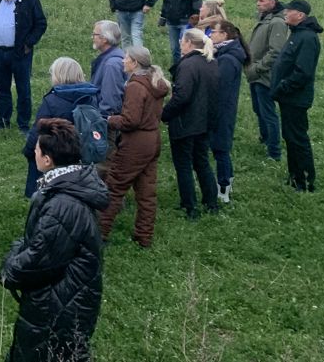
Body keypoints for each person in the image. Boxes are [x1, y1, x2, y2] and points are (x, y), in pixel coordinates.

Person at [0, 119, 150, 362]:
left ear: (48, 158)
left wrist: (10, 265)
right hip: (59, 301)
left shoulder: (63, 204)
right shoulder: (63, 189)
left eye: (37, 149)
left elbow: (39, 259)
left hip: (59, 308)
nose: (33, 153)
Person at [101, 46, 169, 248]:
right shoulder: (154, 82)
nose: (123, 61)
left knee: (114, 187)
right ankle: (144, 237)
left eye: (126, 59)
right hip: (153, 140)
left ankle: (99, 233)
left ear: (135, 63)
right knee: (146, 193)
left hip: (136, 143)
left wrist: (109, 119)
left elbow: (131, 120)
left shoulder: (135, 86)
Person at [161, 29, 220, 219]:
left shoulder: (187, 66)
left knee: (184, 165)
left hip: (185, 122)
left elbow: (182, 96)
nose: (180, 44)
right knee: (202, 162)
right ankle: (211, 203)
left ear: (188, 43)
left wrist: (165, 114)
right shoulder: (211, 62)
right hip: (205, 122)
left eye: (182, 41)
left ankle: (190, 206)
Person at [22, 58, 99, 198]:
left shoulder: (52, 101)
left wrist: (29, 151)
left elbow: (37, 132)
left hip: (54, 159)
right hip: (81, 158)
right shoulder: (91, 98)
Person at [0, 0, 48, 130]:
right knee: (1, 88)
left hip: (19, 53)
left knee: (23, 89)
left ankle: (23, 124)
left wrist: (28, 44)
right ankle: (4, 120)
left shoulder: (30, 2)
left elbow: (41, 24)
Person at [270, 0, 323, 192]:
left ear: (299, 15)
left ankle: (305, 181)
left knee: (298, 138)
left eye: (288, 11)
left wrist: (283, 86)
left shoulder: (307, 38)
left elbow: (303, 72)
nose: (285, 14)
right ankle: (295, 176)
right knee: (290, 137)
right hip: (288, 97)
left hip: (295, 98)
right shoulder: (297, 34)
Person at [245, 0, 289, 161]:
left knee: (268, 113)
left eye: (262, 1)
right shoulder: (264, 18)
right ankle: (265, 138)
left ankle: (274, 152)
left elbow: (276, 51)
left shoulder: (277, 22)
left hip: (264, 75)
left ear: (273, 2)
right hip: (255, 72)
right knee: (258, 109)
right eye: (257, 1)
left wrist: (256, 68)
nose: (258, 3)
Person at [209, 20, 249, 204]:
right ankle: (228, 182)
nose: (210, 35)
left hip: (221, 111)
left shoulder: (226, 59)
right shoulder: (228, 54)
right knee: (221, 148)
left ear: (224, 35)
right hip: (225, 109)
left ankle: (223, 189)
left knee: (220, 149)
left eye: (214, 32)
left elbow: (220, 88)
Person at [159, 0, 201, 64]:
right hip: (171, 21)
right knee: (174, 49)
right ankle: (177, 69)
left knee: (185, 48)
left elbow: (197, 1)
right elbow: (166, 0)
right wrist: (163, 17)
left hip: (185, 21)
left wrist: (196, 17)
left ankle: (187, 67)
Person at [90, 21, 127, 118]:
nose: (92, 37)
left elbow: (111, 98)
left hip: (106, 120)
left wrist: (102, 118)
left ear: (105, 39)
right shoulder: (111, 58)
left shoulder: (112, 64)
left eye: (95, 34)